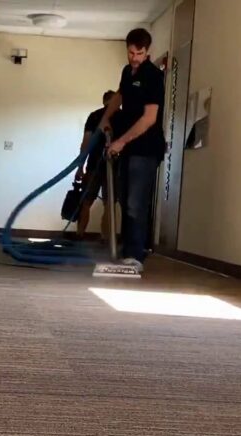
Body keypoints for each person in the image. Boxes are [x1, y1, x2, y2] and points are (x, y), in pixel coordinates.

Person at [98, 28, 166, 273]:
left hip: (146, 148)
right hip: (128, 148)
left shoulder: (153, 76)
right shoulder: (127, 72)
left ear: (148, 52)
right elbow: (119, 96)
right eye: (131, 52)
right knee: (125, 199)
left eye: (140, 53)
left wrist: (120, 142)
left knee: (136, 203)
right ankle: (127, 251)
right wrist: (106, 118)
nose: (135, 57)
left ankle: (136, 255)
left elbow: (149, 119)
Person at [74, 90, 117, 239]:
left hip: (94, 164)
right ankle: (106, 238)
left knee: (86, 202)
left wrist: (80, 167)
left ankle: (80, 234)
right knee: (109, 203)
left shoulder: (94, 116)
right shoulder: (121, 116)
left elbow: (86, 143)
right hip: (114, 165)